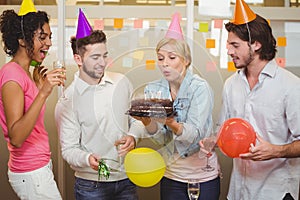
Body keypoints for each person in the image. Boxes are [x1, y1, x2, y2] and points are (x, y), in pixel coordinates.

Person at [55, 9, 143, 200]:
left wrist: (133, 136)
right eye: (95, 57)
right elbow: (68, 150)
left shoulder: (122, 82)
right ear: (78, 59)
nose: (102, 63)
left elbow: (138, 120)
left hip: (126, 180)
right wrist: (87, 159)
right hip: (90, 186)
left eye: (104, 55)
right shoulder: (68, 101)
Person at [218, 0, 300, 199]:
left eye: (235, 45)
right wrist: (213, 140)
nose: (229, 51)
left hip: (276, 193)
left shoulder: (290, 86)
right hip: (238, 191)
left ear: (256, 44)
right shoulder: (231, 84)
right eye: (228, 44)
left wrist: (276, 151)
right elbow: (224, 131)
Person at [134, 13, 220, 200]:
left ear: (186, 60)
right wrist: (148, 122)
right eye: (160, 58)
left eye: (172, 58)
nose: (165, 64)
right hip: (171, 176)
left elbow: (195, 134)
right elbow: (159, 139)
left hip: (203, 177)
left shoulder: (200, 88)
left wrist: (171, 123)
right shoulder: (154, 90)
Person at [0, 0, 63, 199]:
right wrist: (43, 92)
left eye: (50, 37)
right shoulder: (12, 75)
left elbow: (29, 117)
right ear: (22, 40)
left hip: (37, 167)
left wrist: (37, 88)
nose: (49, 43)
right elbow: (17, 137)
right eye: (42, 37)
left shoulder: (24, 72)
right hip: (30, 170)